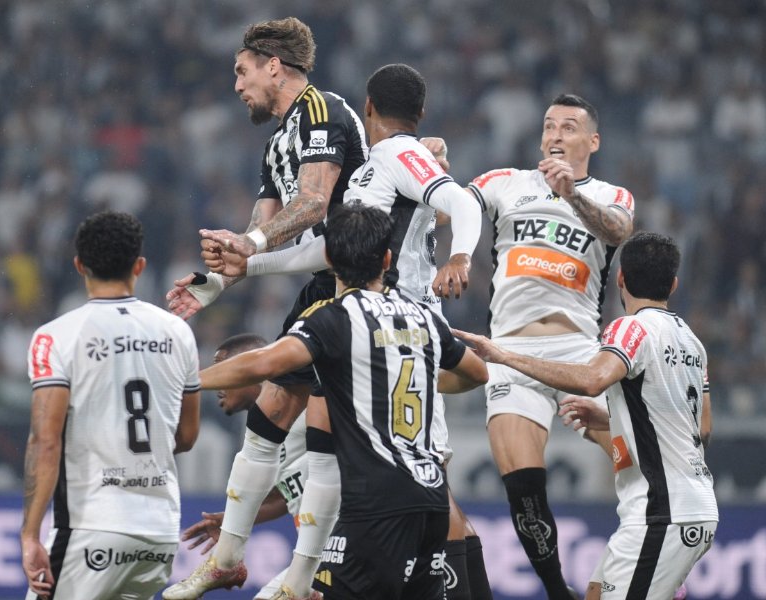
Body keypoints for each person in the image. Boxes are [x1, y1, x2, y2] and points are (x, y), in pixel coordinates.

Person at [183, 63, 491, 600]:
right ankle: (275, 572)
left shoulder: (395, 154)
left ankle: (459, 589)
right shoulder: (377, 167)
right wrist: (243, 267)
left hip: (399, 322)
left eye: (241, 71)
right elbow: (330, 250)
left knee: (431, 489)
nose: (236, 82)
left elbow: (460, 200)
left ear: (367, 107)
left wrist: (460, 255)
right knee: (297, 421)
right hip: (382, 323)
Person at [162, 17, 368, 600]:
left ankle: (296, 578)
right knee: (269, 418)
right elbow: (263, 228)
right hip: (322, 281)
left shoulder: (321, 110)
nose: (237, 85)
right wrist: (213, 284)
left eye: (241, 71)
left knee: (305, 419)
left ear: (273, 66)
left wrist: (249, 248)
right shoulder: (279, 139)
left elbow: (313, 202)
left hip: (360, 284)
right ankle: (229, 557)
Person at [429, 93, 635, 599]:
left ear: (593, 141)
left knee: (640, 451)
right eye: (549, 126)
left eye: (569, 127)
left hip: (581, 353)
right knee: (523, 484)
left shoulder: (612, 194)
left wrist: (574, 196)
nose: (556, 135)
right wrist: (428, 169)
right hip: (510, 354)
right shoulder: (505, 182)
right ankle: (556, 591)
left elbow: (619, 231)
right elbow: (450, 209)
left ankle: (652, 553)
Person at [455, 231, 718, 599]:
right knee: (594, 592)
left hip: (662, 513)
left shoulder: (630, 328)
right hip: (679, 507)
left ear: (620, 279)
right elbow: (701, 430)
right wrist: (614, 421)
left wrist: (506, 356)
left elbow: (593, 379)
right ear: (673, 284)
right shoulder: (692, 342)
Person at [20, 211, 202, 600]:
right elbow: (186, 436)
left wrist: (30, 534)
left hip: (92, 528)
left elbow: (45, 442)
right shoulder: (177, 332)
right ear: (139, 266)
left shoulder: (56, 336)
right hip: (158, 533)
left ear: (79, 265)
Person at [181, 332, 313, 600]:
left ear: (247, 367)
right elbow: (284, 496)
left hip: (348, 539)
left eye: (225, 366)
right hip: (318, 549)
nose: (220, 379)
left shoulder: (306, 400)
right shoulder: (261, 430)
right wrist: (232, 522)